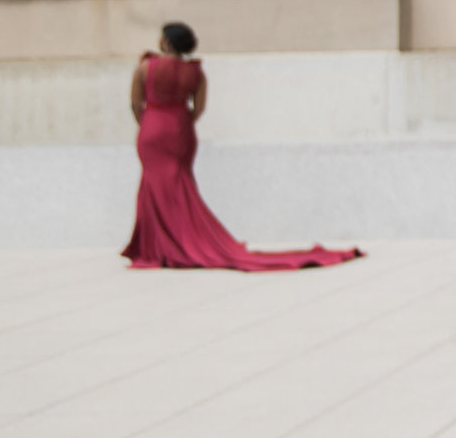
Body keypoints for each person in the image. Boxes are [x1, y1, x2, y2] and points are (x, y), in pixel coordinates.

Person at [122, 22, 363, 271]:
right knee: (179, 184)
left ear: (167, 42)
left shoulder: (145, 67)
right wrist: (180, 122)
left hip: (152, 128)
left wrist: (149, 124)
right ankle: (175, 242)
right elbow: (199, 108)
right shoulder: (195, 72)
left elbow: (135, 103)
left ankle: (159, 246)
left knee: (154, 185)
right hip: (180, 129)